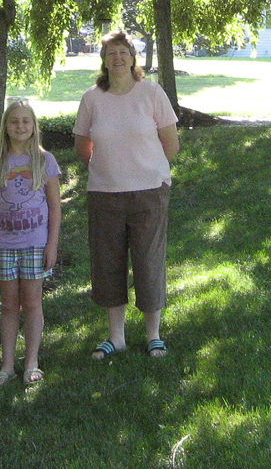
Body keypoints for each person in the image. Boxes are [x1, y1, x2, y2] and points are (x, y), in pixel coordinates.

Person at [73, 30, 179, 361]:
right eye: (110, 53)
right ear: (103, 61)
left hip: (149, 193)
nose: (117, 58)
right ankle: (116, 338)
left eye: (123, 52)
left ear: (133, 58)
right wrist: (106, 168)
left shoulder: (151, 92)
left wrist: (150, 171)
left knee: (148, 262)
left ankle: (153, 336)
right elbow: (82, 144)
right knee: (108, 264)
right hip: (104, 194)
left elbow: (171, 143)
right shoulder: (92, 98)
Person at [0, 99, 61, 386]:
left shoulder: (44, 160)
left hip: (35, 243)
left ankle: (31, 363)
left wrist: (52, 245)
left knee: (32, 302)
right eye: (14, 121)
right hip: (4, 245)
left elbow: (54, 207)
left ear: (34, 126)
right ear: (5, 126)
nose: (20, 126)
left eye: (25, 121)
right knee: (8, 305)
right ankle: (6, 366)